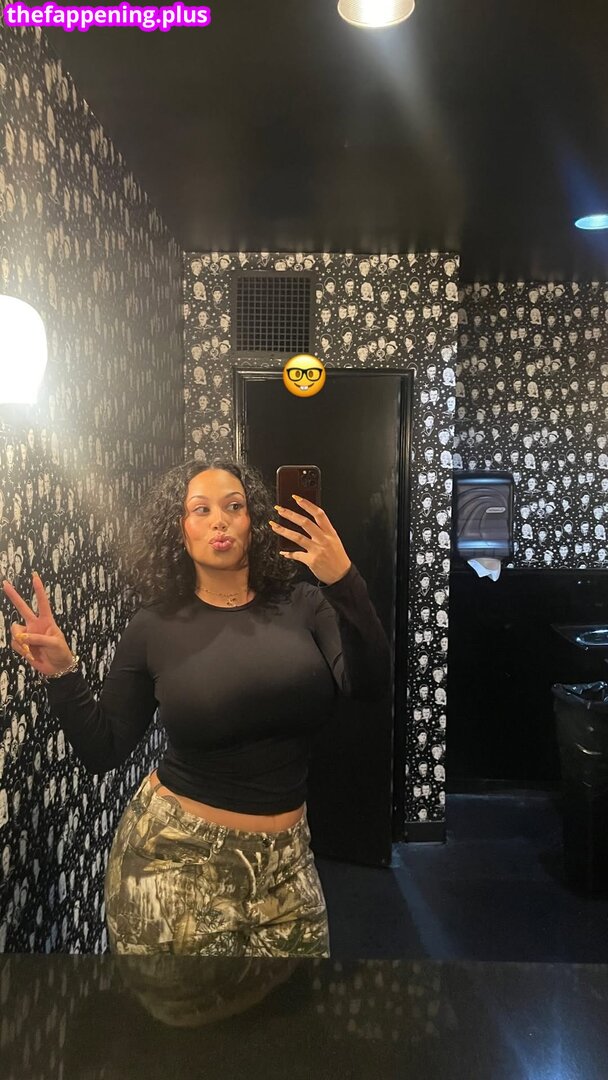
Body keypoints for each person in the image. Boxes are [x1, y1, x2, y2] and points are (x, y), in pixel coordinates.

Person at [3, 458, 390, 957]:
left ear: (254, 522)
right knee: (186, 1011)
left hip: (289, 862)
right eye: (201, 510)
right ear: (179, 529)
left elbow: (369, 685)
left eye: (234, 506)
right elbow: (105, 749)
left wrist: (345, 581)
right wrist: (62, 674)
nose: (219, 521)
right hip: (175, 861)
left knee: (298, 1003)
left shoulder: (306, 604)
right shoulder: (154, 626)